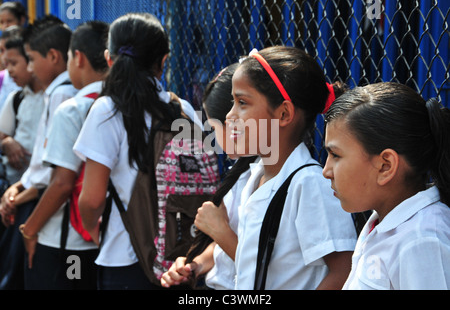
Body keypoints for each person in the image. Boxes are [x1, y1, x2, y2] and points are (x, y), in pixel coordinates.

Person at [73, 12, 200, 290]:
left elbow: (92, 199)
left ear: (109, 59)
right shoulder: (183, 110)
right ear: (163, 62)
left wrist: (95, 231)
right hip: (178, 258)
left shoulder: (108, 110)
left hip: (123, 257)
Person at [226, 46, 357, 290]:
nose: (230, 115)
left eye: (242, 102)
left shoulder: (308, 184)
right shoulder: (256, 175)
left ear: (284, 113)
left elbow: (344, 269)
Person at [322, 82, 450, 290]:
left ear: (385, 166)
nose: (326, 171)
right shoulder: (383, 223)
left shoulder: (422, 239)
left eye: (335, 155)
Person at [18, 21, 109, 290]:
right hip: (107, 241)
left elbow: (62, 183)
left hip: (64, 240)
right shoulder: (129, 105)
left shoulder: (73, 108)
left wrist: (30, 229)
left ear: (77, 58)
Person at [161, 63, 258, 290]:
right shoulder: (243, 174)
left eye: (214, 128)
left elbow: (267, 268)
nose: (214, 138)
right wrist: (194, 265)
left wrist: (219, 230)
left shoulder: (281, 180)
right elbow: (224, 248)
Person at [0, 15, 77, 289]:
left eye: (30, 59)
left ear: (54, 56)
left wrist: (27, 221)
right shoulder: (54, 93)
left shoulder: (62, 97)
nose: (29, 68)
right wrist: (18, 187)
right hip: (36, 205)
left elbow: (56, 177)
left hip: (50, 218)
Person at [0, 34, 45, 186]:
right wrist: (6, 143)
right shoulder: (16, 99)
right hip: (13, 183)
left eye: (13, 63)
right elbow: (2, 136)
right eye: (6, 64)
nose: (9, 70)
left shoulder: (55, 97)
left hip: (40, 185)